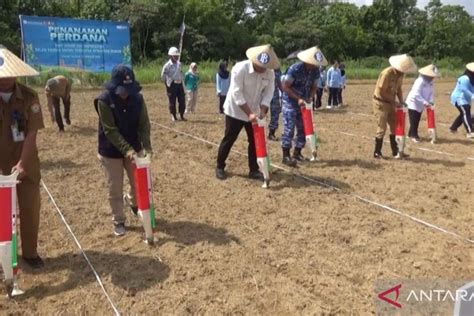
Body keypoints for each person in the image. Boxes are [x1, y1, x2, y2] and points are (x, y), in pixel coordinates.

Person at [94, 65, 152, 236]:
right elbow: (110, 130)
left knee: (138, 182)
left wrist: (147, 148)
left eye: (129, 89)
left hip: (134, 145)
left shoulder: (138, 100)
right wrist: (127, 150)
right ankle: (119, 219)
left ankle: (132, 201)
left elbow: (144, 125)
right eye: (122, 89)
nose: (126, 93)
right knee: (115, 187)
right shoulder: (104, 101)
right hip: (110, 150)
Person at [0, 46, 45, 268]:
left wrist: (23, 163)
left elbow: (32, 132)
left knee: (30, 207)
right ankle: (3, 258)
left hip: (26, 164)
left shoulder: (29, 97)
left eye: (10, 74)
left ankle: (30, 252)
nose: (6, 80)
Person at [215, 44, 278, 180]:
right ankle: (220, 166)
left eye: (265, 67)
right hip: (236, 110)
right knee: (229, 138)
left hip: (255, 111)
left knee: (254, 141)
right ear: (254, 60)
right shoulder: (240, 68)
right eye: (260, 66)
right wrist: (249, 113)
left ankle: (254, 170)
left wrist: (262, 110)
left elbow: (269, 93)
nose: (262, 69)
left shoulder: (270, 73)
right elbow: (236, 93)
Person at [281, 46, 326, 166]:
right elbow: (285, 87)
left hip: (304, 103)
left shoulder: (315, 71)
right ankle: (286, 155)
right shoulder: (294, 69)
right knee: (289, 128)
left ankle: (297, 152)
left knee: (303, 128)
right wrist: (298, 98)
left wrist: (310, 97)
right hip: (290, 101)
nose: (314, 65)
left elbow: (314, 87)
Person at [373, 54, 417, 159]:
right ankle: (377, 152)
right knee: (382, 127)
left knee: (394, 126)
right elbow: (382, 91)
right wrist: (394, 101)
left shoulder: (400, 75)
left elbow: (399, 89)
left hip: (391, 103)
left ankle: (395, 151)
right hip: (381, 103)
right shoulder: (386, 74)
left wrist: (401, 101)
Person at [406, 64, 440, 142]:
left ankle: (410, 134)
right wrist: (424, 102)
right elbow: (415, 93)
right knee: (414, 119)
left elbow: (431, 93)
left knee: (417, 118)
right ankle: (414, 135)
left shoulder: (430, 82)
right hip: (413, 102)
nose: (433, 77)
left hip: (421, 103)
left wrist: (431, 102)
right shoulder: (420, 81)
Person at [161, 47, 186, 122]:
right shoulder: (167, 65)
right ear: (171, 56)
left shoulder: (179, 64)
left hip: (179, 83)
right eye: (175, 56)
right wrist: (167, 85)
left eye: (177, 56)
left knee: (182, 100)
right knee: (172, 101)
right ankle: (173, 115)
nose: (177, 57)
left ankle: (181, 115)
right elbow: (163, 76)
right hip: (171, 84)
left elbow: (181, 73)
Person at [449, 62, 474, 138]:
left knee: (463, 113)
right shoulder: (464, 78)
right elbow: (464, 89)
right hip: (459, 97)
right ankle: (470, 132)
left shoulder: (472, 79)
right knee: (466, 111)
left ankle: (453, 128)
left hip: (465, 99)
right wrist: (473, 95)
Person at [268, 67, 283, 141]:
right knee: (258, 113)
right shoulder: (264, 67)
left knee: (275, 113)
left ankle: (271, 133)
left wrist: (283, 92)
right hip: (263, 93)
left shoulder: (277, 69)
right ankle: (256, 133)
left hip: (274, 94)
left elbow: (279, 83)